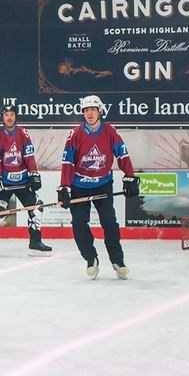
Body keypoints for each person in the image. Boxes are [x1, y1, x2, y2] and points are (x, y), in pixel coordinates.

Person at [57, 95, 140, 279]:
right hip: (79, 186)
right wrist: (64, 187)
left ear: (100, 111)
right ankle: (91, 258)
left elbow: (123, 156)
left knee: (110, 222)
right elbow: (67, 162)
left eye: (93, 110)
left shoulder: (110, 132)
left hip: (103, 185)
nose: (90, 113)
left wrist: (130, 177)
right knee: (79, 223)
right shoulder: (75, 135)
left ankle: (118, 260)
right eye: (86, 111)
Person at [0, 104, 52, 256]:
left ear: (16, 116)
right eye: (6, 114)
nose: (9, 117)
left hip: (23, 182)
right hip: (6, 183)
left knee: (36, 208)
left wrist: (34, 174)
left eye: (12, 114)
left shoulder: (23, 133)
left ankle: (35, 243)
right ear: (2, 117)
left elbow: (29, 157)